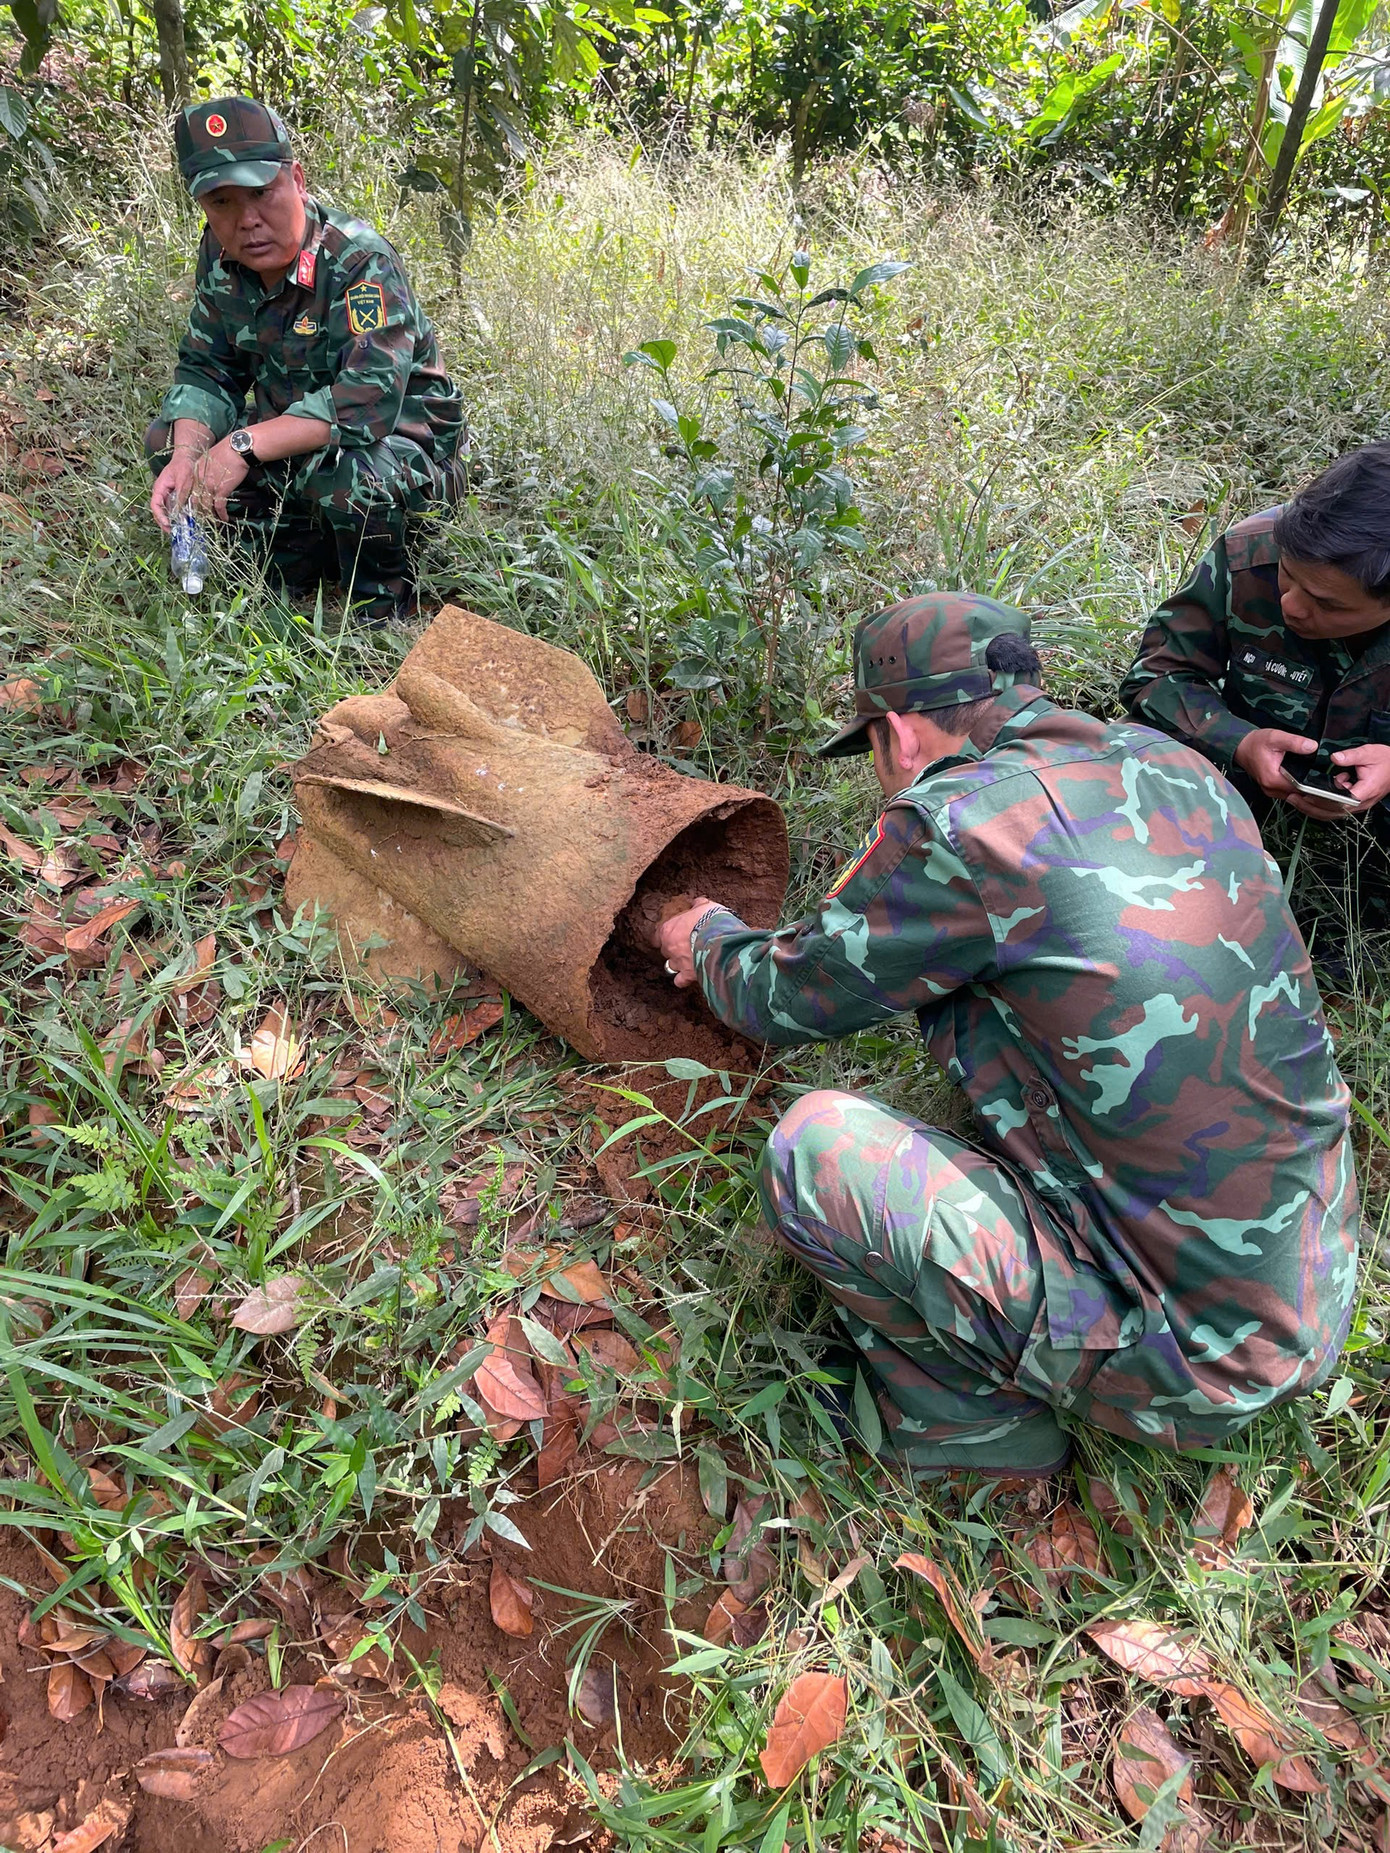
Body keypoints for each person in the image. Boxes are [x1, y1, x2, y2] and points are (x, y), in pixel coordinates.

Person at [656, 593, 1358, 1476]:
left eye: (874, 746)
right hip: (1316, 1282)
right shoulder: (1174, 763)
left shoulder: (960, 821)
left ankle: (975, 1439)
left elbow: (782, 999)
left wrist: (705, 936)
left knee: (818, 1148)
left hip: (1194, 1358)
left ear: (901, 735)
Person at [146, 96, 465, 623]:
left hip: (404, 455)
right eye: (221, 202)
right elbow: (207, 369)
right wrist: (188, 456)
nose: (247, 220)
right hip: (295, 442)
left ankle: (381, 612)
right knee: (170, 440)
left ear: (296, 178)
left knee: (355, 475)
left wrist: (242, 445)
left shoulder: (359, 260)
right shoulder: (220, 257)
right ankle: (282, 565)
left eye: (261, 193)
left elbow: (367, 402)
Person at [1120, 445, 1390, 828]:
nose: (1290, 605)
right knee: (1125, 746)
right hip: (1237, 782)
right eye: (1287, 573)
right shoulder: (1248, 551)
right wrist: (1239, 742)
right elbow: (1157, 677)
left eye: (1327, 604)